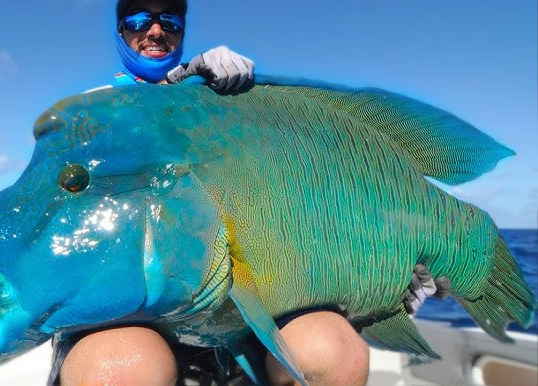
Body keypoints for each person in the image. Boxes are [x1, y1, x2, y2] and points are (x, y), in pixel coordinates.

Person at [49, 1, 449, 385]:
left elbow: (297, 209)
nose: (156, 31)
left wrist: (379, 283)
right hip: (127, 316)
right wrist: (174, 90)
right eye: (139, 20)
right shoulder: (89, 113)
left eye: (169, 21)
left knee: (337, 353)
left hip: (235, 313)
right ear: (120, 30)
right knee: (120, 371)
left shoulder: (224, 105)